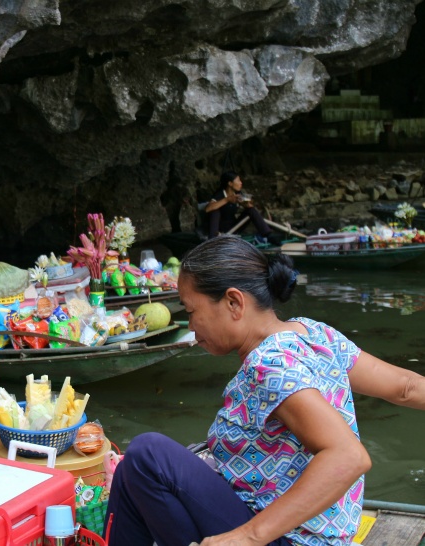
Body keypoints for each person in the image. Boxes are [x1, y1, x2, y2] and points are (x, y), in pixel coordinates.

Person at [104, 236, 425, 546]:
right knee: (133, 474)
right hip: (316, 532)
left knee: (146, 455)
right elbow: (406, 387)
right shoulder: (314, 333)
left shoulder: (269, 366)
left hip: (288, 538)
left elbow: (348, 456)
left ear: (233, 302)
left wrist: (247, 537)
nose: (190, 326)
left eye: (191, 311)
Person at [205, 171, 282, 246]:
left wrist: (245, 203)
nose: (241, 183)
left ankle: (268, 235)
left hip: (234, 227)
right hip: (220, 231)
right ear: (230, 183)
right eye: (238, 180)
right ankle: (212, 240)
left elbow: (250, 208)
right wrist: (227, 199)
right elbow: (208, 209)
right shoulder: (220, 194)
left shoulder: (238, 194)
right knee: (214, 210)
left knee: (251, 210)